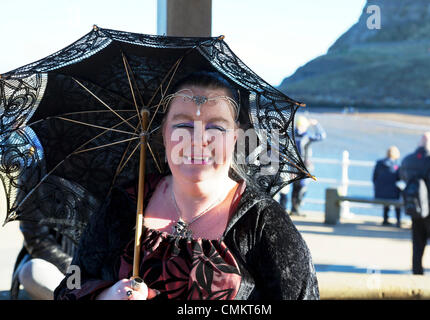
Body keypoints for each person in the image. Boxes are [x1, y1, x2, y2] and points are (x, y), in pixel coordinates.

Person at [54, 71, 319, 300]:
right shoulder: (123, 204)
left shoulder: (263, 223)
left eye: (216, 127)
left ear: (236, 137)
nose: (197, 140)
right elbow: (72, 283)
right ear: (164, 133)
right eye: (183, 125)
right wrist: (104, 295)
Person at [399, 132, 430, 276]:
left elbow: (402, 177)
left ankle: (417, 279)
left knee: (417, 248)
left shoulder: (408, 160)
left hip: (416, 208)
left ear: (419, 144)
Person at [290, 115, 326, 216]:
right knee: (300, 186)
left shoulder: (294, 134)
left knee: (299, 186)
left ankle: (295, 208)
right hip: (301, 165)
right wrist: (316, 124)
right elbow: (322, 135)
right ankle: (295, 209)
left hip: (298, 165)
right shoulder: (305, 135)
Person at [372, 146, 402, 227]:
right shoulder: (397, 166)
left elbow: (374, 178)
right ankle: (398, 221)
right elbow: (399, 179)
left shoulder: (379, 163)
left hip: (379, 193)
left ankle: (385, 219)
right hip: (392, 194)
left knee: (388, 192)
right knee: (397, 196)